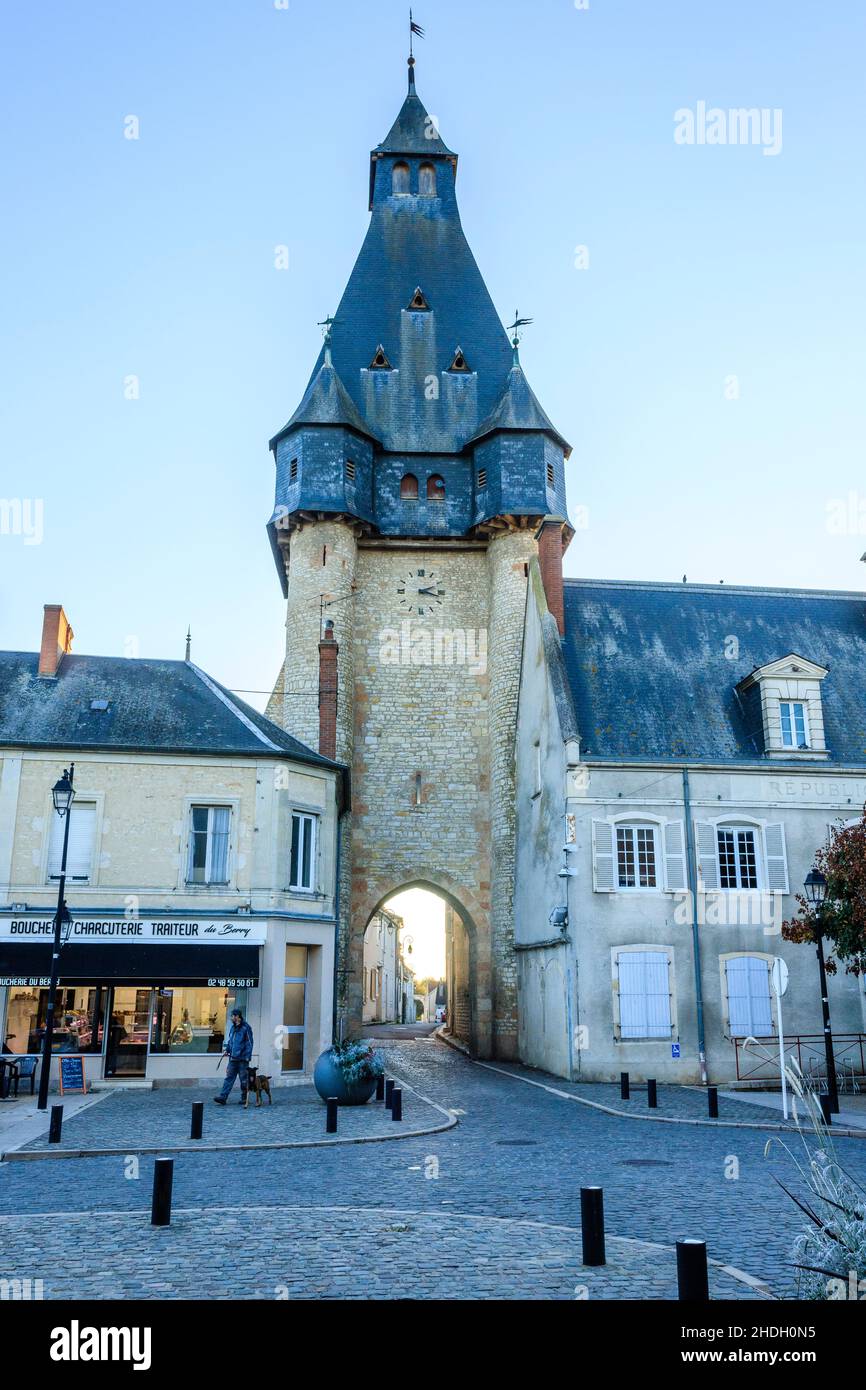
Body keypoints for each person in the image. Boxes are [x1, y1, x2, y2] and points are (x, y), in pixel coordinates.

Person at [213, 1008, 254, 1106]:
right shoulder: (232, 1028)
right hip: (233, 1058)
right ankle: (223, 1097)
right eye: (232, 1016)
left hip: (243, 1059)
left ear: (238, 1017)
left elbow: (249, 1043)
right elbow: (231, 1041)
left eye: (233, 1016)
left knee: (243, 1079)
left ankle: (244, 1098)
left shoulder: (246, 1028)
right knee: (229, 1077)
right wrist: (227, 1050)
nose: (232, 1018)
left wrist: (247, 1056)